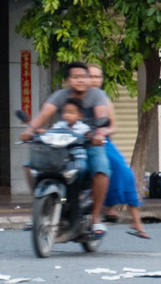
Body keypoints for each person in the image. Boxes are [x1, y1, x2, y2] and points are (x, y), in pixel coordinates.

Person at [23, 61, 114, 237]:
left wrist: (98, 134)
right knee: (30, 166)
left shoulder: (96, 95)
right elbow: (44, 114)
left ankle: (95, 218)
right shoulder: (60, 95)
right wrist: (30, 130)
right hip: (64, 145)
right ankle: (39, 209)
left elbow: (101, 117)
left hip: (89, 143)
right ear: (67, 80)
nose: (80, 80)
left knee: (101, 170)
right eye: (75, 77)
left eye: (84, 77)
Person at [87, 64, 149, 239]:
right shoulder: (78, 98)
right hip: (78, 142)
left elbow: (112, 126)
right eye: (91, 76)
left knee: (123, 171)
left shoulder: (103, 99)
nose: (94, 81)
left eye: (98, 77)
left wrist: (100, 133)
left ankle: (135, 220)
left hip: (101, 142)